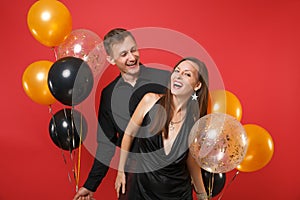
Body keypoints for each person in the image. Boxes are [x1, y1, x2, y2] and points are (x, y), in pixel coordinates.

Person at [73, 28, 170, 200]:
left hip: (168, 175)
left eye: (133, 50)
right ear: (111, 59)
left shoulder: (165, 79)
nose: (132, 58)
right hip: (131, 177)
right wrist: (90, 185)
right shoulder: (108, 94)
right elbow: (106, 144)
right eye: (124, 54)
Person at [115, 57, 210, 200]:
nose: (179, 76)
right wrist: (121, 171)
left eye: (187, 74)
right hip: (140, 189)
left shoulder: (196, 123)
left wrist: (202, 195)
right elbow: (129, 134)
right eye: (177, 71)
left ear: (197, 85)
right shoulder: (150, 100)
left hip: (177, 193)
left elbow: (192, 162)